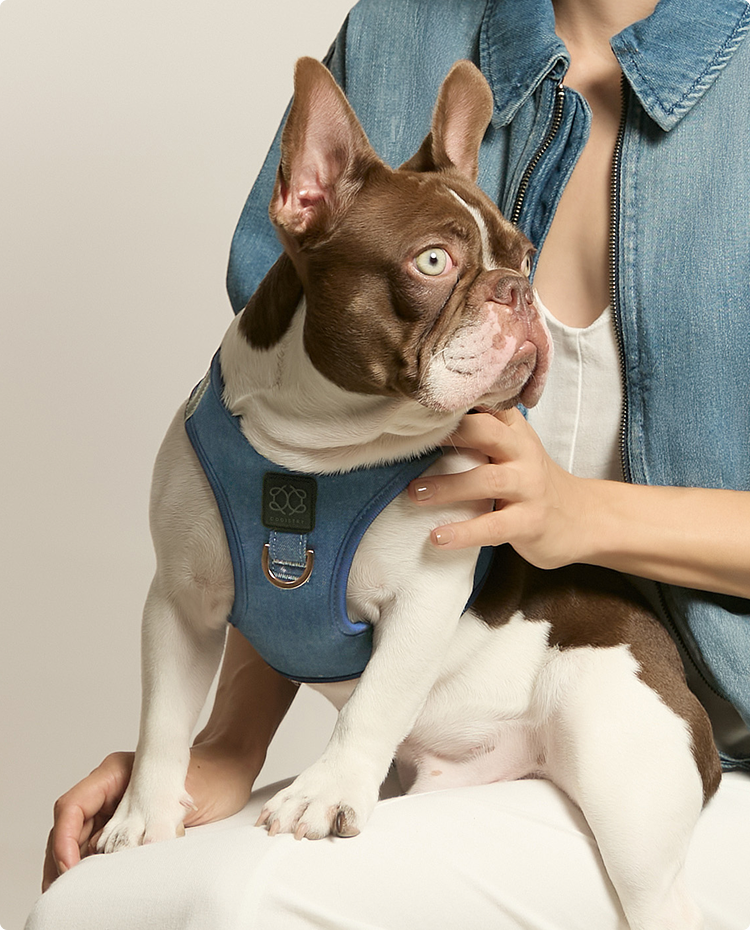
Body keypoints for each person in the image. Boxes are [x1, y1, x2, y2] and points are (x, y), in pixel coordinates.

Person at [27, 0, 750, 927]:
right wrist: (221, 748)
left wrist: (575, 515)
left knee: (247, 902)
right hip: (432, 731)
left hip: (676, 729)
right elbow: (292, 464)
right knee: (102, 905)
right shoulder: (398, 32)